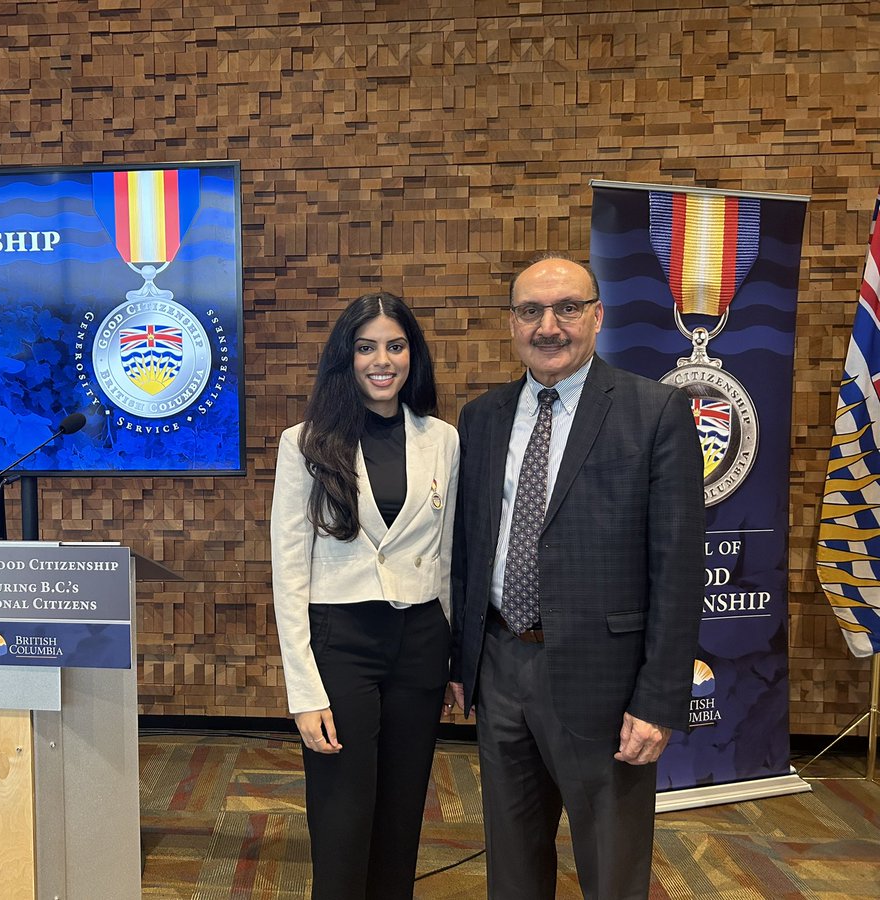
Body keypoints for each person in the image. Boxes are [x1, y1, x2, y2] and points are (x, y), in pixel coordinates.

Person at [449, 254, 704, 899]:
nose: (549, 326)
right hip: (502, 668)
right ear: (511, 323)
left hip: (607, 682)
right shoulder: (481, 418)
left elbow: (677, 569)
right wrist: (463, 662)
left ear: (597, 316)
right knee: (511, 864)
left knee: (612, 869)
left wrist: (657, 700)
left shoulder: (656, 412)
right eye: (531, 310)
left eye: (566, 309)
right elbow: (469, 547)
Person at [271, 291, 459, 900]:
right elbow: (289, 569)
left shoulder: (443, 440)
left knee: (404, 811)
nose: (383, 360)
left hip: (420, 640)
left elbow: (451, 553)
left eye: (396, 346)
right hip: (341, 643)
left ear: (413, 355)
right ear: (345, 358)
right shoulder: (303, 443)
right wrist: (303, 689)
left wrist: (454, 656)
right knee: (343, 812)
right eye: (367, 347)